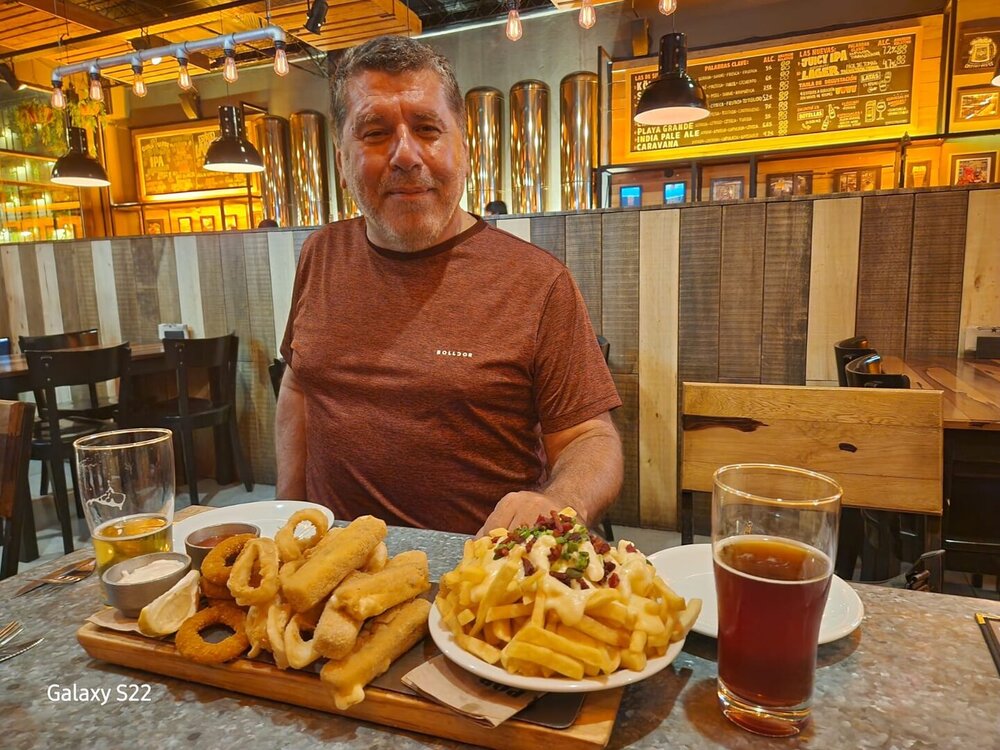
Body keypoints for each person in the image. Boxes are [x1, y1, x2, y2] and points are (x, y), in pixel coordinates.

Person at [276, 35, 622, 536]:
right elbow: (298, 387)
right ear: (340, 160)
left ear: (465, 148)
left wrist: (558, 502)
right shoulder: (320, 254)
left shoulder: (538, 281)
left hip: (476, 571)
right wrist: (286, 518)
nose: (405, 155)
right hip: (336, 561)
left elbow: (590, 438)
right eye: (375, 132)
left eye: (427, 129)